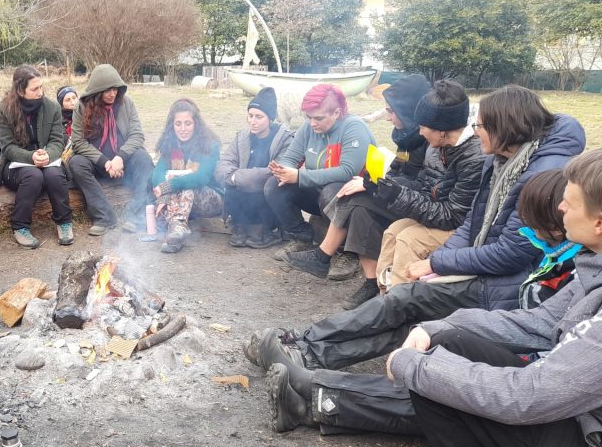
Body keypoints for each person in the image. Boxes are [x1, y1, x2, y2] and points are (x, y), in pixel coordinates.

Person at [246, 85, 585, 373]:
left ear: (504, 129)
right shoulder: (503, 161)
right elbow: (473, 223)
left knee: (406, 303)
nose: (475, 130)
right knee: (406, 304)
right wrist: (442, 260)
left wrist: (439, 263)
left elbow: (510, 252)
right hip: (483, 269)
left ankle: (303, 344)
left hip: (498, 287)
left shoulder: (531, 175)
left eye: (481, 125)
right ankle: (307, 351)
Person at [258, 170, 582, 444]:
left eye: (568, 208)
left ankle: (315, 392)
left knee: (444, 386)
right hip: (513, 334)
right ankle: (310, 378)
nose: (527, 231)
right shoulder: (568, 260)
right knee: (420, 330)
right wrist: (443, 321)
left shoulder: (575, 270)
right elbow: (535, 320)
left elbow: (544, 354)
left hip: (538, 378)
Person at [386, 149, 602, 447]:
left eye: (569, 202)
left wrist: (411, 367)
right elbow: (538, 323)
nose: (561, 207)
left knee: (431, 374)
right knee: (448, 345)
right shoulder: (593, 267)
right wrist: (436, 327)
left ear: (599, 223)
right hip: (584, 427)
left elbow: (528, 397)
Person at [284, 80, 486, 310]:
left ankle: (393, 303)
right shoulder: (435, 145)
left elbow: (451, 215)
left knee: (373, 211)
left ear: (440, 128)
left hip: (447, 222)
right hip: (426, 206)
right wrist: (381, 185)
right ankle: (378, 286)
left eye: (423, 126)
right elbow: (420, 183)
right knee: (363, 206)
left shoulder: (470, 157)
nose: (419, 132)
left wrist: (389, 191)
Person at [266, 84, 376, 279]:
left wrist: (300, 176)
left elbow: (347, 171)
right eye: (308, 117)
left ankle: (347, 253)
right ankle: (302, 238)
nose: (312, 123)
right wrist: (282, 170)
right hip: (321, 195)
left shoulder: (353, 127)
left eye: (318, 118)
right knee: (274, 186)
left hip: (355, 200)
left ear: (337, 112)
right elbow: (291, 158)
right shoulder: (309, 128)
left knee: (333, 191)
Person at [0, 65, 74, 249]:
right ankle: (20, 226)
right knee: (33, 176)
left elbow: (57, 140)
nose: (40, 92)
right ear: (21, 90)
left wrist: (48, 155)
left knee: (54, 175)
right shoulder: (4, 109)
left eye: (41, 87)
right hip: (15, 164)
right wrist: (31, 158)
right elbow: (7, 147)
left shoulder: (51, 106)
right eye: (34, 89)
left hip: (47, 158)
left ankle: (64, 222)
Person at [68, 63, 154, 235]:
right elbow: (78, 142)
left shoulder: (127, 103)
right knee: (76, 163)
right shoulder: (82, 107)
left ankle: (135, 215)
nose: (113, 93)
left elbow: (137, 135)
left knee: (144, 158)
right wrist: (105, 162)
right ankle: (104, 217)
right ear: (96, 91)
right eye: (107, 90)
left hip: (123, 162)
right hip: (98, 164)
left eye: (115, 89)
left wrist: (120, 158)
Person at [214, 87, 294, 249]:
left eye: (259, 117)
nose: (253, 121)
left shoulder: (285, 139)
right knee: (232, 187)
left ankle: (266, 230)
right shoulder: (241, 138)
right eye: (250, 116)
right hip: (243, 196)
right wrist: (234, 178)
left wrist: (237, 176)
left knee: (269, 185)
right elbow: (222, 165)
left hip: (267, 197)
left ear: (270, 118)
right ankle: (240, 227)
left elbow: (275, 171)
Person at [151, 99, 223, 253]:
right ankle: (176, 235)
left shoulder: (210, 145)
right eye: (178, 124)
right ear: (173, 125)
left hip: (209, 200)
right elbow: (158, 172)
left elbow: (201, 177)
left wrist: (167, 187)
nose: (183, 129)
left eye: (188, 123)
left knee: (187, 184)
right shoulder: (170, 144)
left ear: (195, 123)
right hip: (181, 203)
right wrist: (163, 195)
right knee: (168, 183)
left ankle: (176, 226)